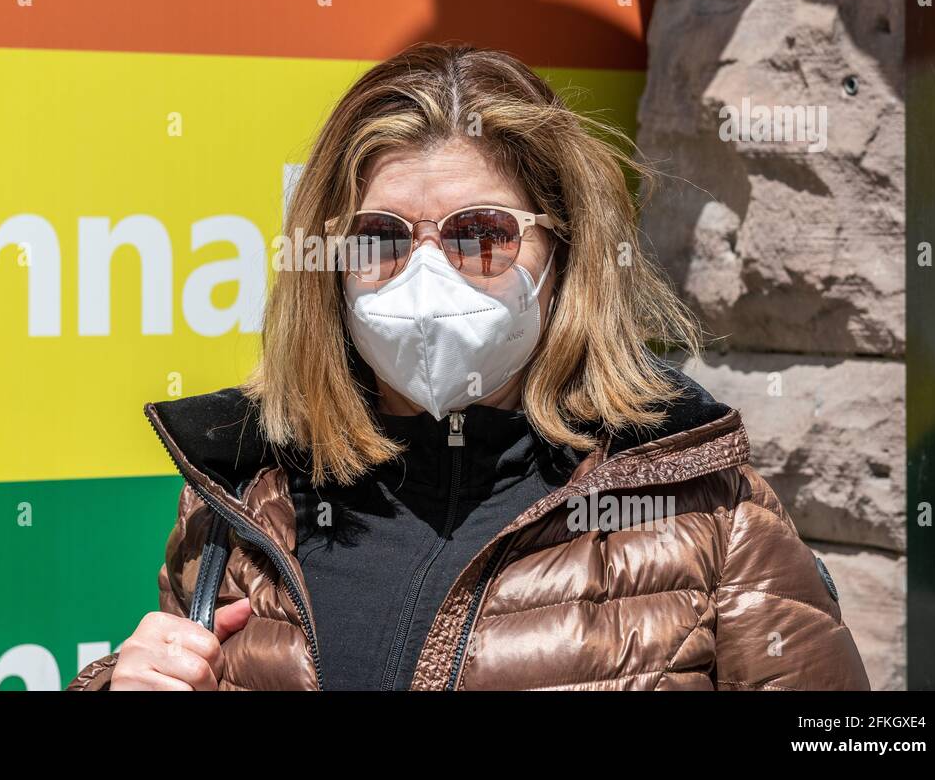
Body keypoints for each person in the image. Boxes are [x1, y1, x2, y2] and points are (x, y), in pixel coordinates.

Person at [69, 43, 871, 691]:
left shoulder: (705, 512)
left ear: (561, 255)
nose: (429, 278)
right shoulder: (242, 510)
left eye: (479, 235)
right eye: (380, 237)